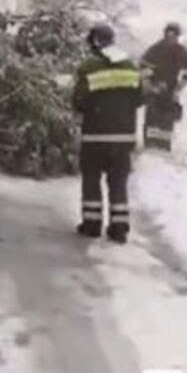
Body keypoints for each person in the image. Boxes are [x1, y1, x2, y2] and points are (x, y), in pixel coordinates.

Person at [71, 22, 145, 244]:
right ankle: (119, 228)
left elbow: (79, 101)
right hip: (123, 137)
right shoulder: (130, 67)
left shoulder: (89, 67)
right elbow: (140, 98)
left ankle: (92, 225)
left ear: (95, 42)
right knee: (118, 183)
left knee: (92, 179)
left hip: (95, 136)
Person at [140, 22, 187, 151]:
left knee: (166, 122)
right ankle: (150, 146)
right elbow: (143, 66)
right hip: (154, 92)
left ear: (178, 36)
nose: (171, 38)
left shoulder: (181, 51)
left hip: (170, 92)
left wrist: (179, 87)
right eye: (169, 35)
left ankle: (164, 147)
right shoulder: (155, 49)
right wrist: (151, 84)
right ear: (165, 34)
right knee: (152, 120)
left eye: (174, 35)